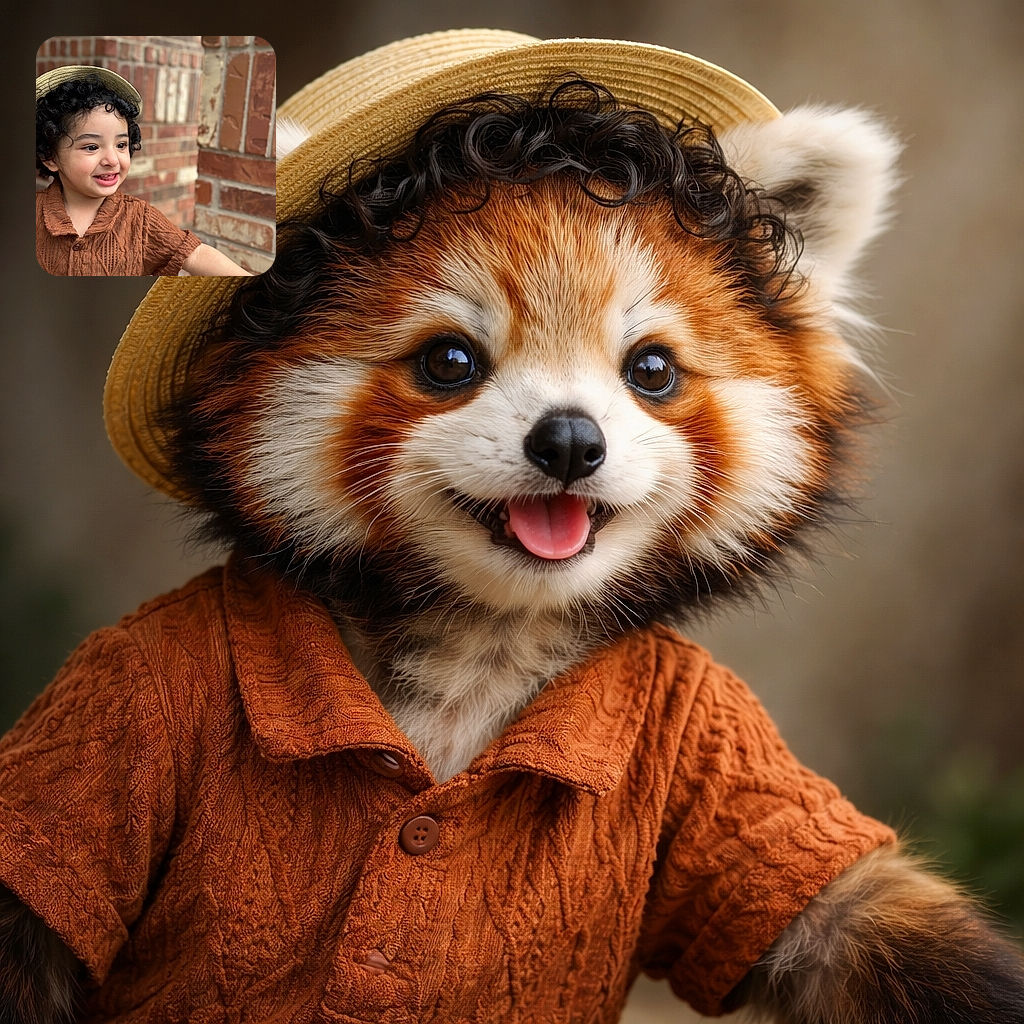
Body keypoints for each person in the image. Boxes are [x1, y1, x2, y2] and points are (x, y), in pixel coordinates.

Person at [35, 65, 252, 277]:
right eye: (92, 147)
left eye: (121, 145)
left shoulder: (141, 219)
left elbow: (195, 255)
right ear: (50, 157)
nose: (112, 160)